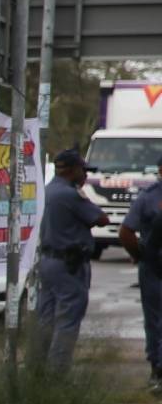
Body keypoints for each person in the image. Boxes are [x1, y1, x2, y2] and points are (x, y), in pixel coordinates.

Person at [35, 149, 112, 374]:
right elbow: (101, 218)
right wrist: (83, 194)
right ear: (72, 170)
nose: (85, 175)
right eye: (83, 170)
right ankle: (57, 375)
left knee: (45, 319)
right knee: (67, 320)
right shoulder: (71, 194)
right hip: (69, 265)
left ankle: (37, 370)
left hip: (48, 261)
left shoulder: (48, 190)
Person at [116, 157, 162, 389]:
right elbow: (125, 231)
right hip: (154, 265)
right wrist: (141, 255)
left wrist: (140, 255)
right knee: (155, 320)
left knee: (155, 319)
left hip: (153, 264)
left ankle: (158, 368)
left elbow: (125, 232)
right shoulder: (148, 197)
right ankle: (158, 368)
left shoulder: (149, 197)